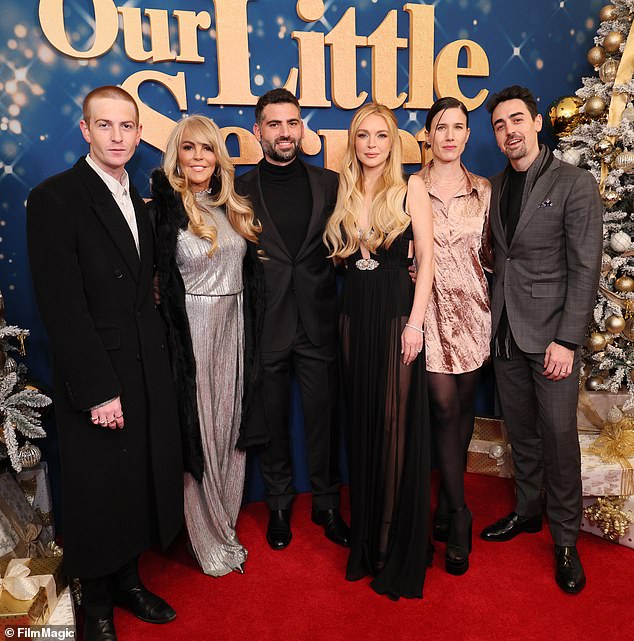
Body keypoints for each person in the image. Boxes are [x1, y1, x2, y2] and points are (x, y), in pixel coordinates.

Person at [26, 86, 183, 641]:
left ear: (139, 135)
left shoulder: (139, 199)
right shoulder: (55, 198)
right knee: (97, 488)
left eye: (127, 127)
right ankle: (94, 600)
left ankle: (127, 579)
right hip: (98, 375)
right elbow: (62, 308)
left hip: (144, 369)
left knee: (133, 479)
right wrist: (98, 390)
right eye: (106, 126)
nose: (118, 136)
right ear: (86, 130)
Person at [479, 85, 603, 594]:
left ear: (536, 122)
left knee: (558, 438)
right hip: (505, 331)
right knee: (522, 434)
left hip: (553, 339)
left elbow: (585, 267)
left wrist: (568, 341)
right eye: (499, 125)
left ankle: (566, 540)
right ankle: (528, 512)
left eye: (516, 120)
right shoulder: (496, 186)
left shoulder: (575, 183)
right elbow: (497, 256)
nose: (509, 131)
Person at [323, 103, 434, 599]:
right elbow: (339, 258)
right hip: (353, 313)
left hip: (395, 313)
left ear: (393, 142)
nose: (371, 143)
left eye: (381, 135)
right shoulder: (341, 189)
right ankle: (365, 540)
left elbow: (428, 261)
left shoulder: (410, 188)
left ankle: (390, 542)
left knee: (392, 424)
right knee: (362, 422)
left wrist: (415, 325)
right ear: (354, 141)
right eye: (363, 135)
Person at [149, 115, 266, 576]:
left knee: (231, 431)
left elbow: (249, 271)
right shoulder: (162, 210)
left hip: (235, 329)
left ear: (219, 157)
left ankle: (225, 522)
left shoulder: (232, 206)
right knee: (196, 434)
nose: (199, 158)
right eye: (189, 149)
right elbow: (152, 279)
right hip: (192, 333)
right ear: (176, 155)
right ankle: (207, 536)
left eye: (207, 149)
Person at [235, 88, 350, 551]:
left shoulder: (329, 183)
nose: (285, 132)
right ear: (258, 130)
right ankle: (279, 505)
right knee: (274, 422)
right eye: (275, 124)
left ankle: (326, 503)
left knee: (324, 419)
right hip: (266, 325)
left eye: (293, 123)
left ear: (302, 128)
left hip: (319, 322)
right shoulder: (238, 190)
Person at [415, 97, 492, 575]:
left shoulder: (484, 189)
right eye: (440, 127)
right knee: (442, 405)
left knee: (463, 408)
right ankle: (460, 515)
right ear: (428, 134)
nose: (448, 135)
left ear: (467, 135)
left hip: (475, 312)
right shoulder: (413, 186)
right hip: (429, 311)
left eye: (458, 127)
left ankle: (447, 501)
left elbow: (495, 251)